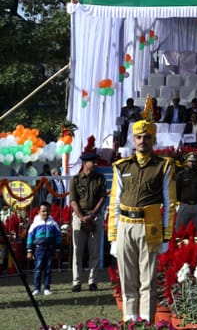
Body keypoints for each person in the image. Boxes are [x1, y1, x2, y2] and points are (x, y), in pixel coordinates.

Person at [108, 105, 174, 323]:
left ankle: (146, 323)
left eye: (146, 137)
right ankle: (130, 321)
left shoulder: (163, 166)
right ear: (133, 139)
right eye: (138, 137)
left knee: (148, 279)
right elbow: (114, 202)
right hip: (125, 225)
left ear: (153, 139)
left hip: (150, 226)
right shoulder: (121, 166)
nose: (142, 141)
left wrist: (166, 235)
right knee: (127, 279)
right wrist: (113, 237)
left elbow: (170, 202)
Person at [69, 149, 107, 292]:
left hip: (95, 215)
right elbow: (73, 201)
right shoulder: (75, 179)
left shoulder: (100, 178)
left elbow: (102, 198)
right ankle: (76, 282)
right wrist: (82, 217)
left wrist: (93, 214)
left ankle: (93, 281)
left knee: (94, 250)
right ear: (85, 163)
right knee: (77, 251)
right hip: (79, 215)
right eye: (93, 161)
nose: (96, 164)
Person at [27, 201, 61, 296]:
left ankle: (46, 288)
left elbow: (58, 237)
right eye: (43, 211)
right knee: (38, 268)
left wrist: (57, 249)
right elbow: (30, 237)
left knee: (48, 269)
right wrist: (29, 250)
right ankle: (37, 288)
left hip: (50, 249)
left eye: (47, 211)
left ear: (50, 211)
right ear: (39, 212)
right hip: (39, 249)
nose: (45, 213)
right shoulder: (35, 224)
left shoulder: (53, 224)